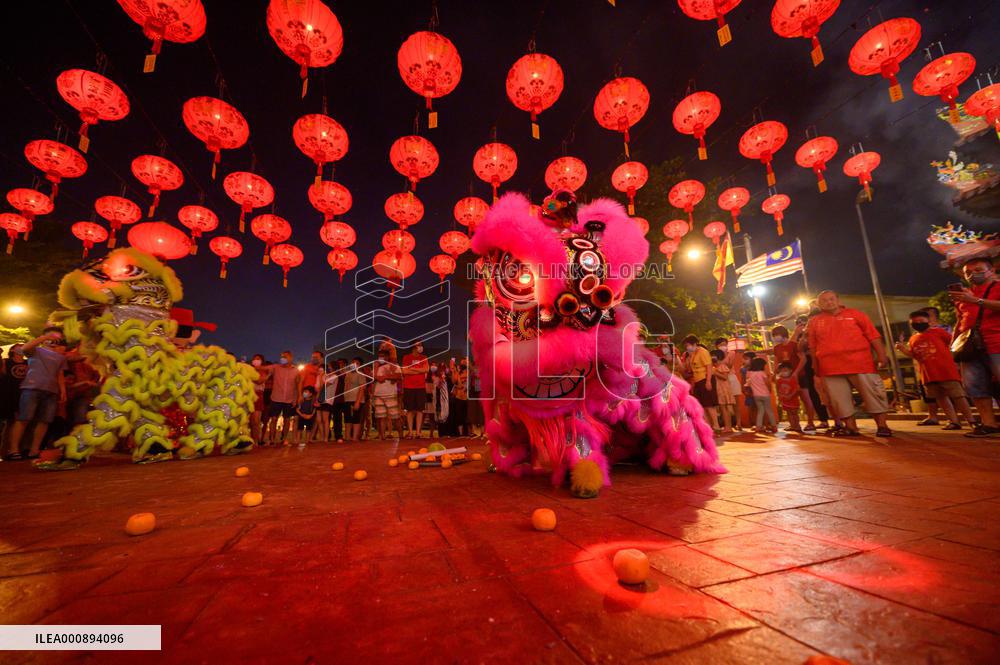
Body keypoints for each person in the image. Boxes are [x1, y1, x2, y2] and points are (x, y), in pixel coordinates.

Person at [807, 290, 892, 437]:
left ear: (838, 300)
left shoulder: (855, 314)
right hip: (830, 367)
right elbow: (813, 347)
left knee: (873, 394)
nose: (829, 302)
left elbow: (873, 336)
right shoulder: (814, 322)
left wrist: (882, 355)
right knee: (839, 399)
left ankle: (882, 426)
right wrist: (816, 367)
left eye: (831, 299)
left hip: (861, 363)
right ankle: (850, 427)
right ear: (819, 305)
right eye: (824, 300)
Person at [896, 310, 975, 430]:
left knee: (958, 397)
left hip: (946, 372)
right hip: (928, 375)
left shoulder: (938, 332)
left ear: (928, 321)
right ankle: (953, 421)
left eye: (921, 321)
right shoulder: (913, 339)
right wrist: (902, 349)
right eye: (915, 322)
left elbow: (954, 344)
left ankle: (972, 421)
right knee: (941, 399)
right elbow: (915, 355)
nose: (918, 323)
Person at [949, 257, 1000, 436]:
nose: (973, 275)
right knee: (975, 387)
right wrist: (953, 346)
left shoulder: (997, 287)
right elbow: (960, 321)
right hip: (970, 348)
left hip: (996, 344)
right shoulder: (964, 295)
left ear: (991, 271)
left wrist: (976, 301)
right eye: (968, 273)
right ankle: (989, 424)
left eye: (978, 270)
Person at [5, 329, 67, 460]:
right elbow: (24, 348)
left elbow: (59, 373)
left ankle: (34, 450)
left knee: (44, 421)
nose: (54, 340)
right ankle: (14, 450)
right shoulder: (36, 350)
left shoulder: (61, 357)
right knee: (24, 418)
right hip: (32, 387)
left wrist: (62, 390)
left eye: (58, 338)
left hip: (51, 391)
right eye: (52, 336)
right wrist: (43, 338)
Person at [682, 335, 719, 433]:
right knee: (701, 405)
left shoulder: (703, 351)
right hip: (698, 381)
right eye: (686, 346)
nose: (687, 347)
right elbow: (691, 369)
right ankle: (708, 426)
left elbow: (709, 366)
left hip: (705, 379)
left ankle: (716, 426)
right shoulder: (693, 354)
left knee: (709, 404)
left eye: (688, 345)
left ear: (694, 344)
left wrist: (708, 381)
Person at [265, 351, 300, 445]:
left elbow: (297, 386)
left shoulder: (296, 370)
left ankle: (284, 439)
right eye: (281, 356)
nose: (282, 358)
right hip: (276, 398)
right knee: (273, 419)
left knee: (287, 420)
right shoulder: (276, 367)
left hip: (289, 399)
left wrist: (296, 398)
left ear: (290, 358)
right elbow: (264, 369)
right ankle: (272, 439)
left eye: (285, 356)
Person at [0, 344, 28, 451]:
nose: (22, 347)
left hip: (23, 394)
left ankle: (13, 448)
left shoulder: (28, 362)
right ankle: (4, 449)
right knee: (7, 422)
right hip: (8, 395)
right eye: (19, 346)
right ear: (12, 350)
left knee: (19, 422)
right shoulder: (5, 362)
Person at [372, 343, 402, 440]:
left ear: (388, 357)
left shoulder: (394, 365)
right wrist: (376, 369)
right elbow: (373, 377)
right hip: (378, 394)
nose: (381, 358)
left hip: (390, 394)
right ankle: (382, 436)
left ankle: (401, 435)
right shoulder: (376, 365)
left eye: (383, 356)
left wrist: (385, 376)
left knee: (395, 416)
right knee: (381, 417)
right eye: (379, 356)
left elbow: (398, 376)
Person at [401, 341, 430, 439]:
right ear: (413, 347)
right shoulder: (406, 357)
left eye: (421, 345)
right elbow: (404, 371)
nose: (421, 347)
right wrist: (419, 369)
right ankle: (410, 432)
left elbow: (426, 369)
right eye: (419, 345)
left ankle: (418, 432)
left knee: (420, 410)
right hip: (409, 387)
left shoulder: (424, 357)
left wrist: (412, 369)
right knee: (409, 410)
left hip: (420, 387)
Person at [745, 357, 777, 433]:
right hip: (765, 394)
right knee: (769, 410)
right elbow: (767, 383)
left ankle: (758, 427)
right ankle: (774, 426)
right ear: (761, 365)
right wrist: (770, 390)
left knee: (760, 411)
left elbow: (747, 384)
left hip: (756, 395)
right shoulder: (762, 373)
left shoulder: (750, 373)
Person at [711, 350, 736, 434]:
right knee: (723, 409)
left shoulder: (722, 366)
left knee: (724, 408)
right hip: (720, 389)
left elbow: (725, 377)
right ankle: (728, 426)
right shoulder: (716, 367)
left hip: (723, 389)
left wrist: (715, 373)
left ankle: (728, 426)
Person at [342, 357, 367, 441]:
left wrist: (357, 402)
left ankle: (355, 437)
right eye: (353, 363)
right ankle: (347, 437)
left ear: (360, 365)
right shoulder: (348, 374)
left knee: (356, 419)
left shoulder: (360, 374)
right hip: (347, 400)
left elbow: (362, 388)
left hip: (356, 399)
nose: (354, 365)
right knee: (347, 419)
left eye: (356, 363)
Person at [775, 361, 802, 433]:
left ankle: (797, 425)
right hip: (785, 400)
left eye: (785, 370)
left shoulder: (793, 379)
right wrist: (779, 396)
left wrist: (791, 395)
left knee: (794, 413)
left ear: (790, 370)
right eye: (782, 371)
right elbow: (777, 389)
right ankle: (792, 425)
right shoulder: (779, 380)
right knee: (789, 413)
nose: (784, 372)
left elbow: (797, 389)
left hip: (793, 399)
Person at [316, 359, 338, 442]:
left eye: (329, 366)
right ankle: (322, 436)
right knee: (319, 420)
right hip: (320, 399)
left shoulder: (334, 376)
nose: (328, 368)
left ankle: (325, 438)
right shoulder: (326, 375)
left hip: (328, 400)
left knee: (325, 420)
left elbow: (324, 385)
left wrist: (322, 377)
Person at [249, 354, 268, 443]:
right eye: (254, 359)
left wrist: (251, 376)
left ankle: (256, 440)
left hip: (258, 396)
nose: (256, 360)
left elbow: (260, 381)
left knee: (256, 421)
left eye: (258, 359)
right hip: (249, 396)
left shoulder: (264, 371)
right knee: (251, 421)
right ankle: (250, 440)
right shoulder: (249, 369)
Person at [451, 357, 470, 437]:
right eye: (462, 363)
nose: (463, 364)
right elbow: (454, 382)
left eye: (465, 362)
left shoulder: (469, 372)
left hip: (467, 397)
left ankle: (469, 432)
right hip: (459, 397)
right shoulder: (458, 372)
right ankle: (460, 433)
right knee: (459, 416)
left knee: (467, 416)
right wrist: (454, 372)